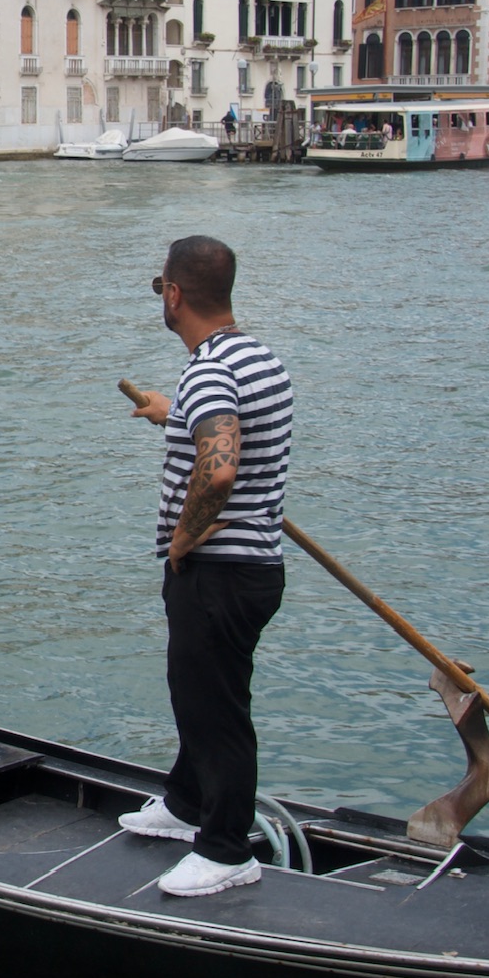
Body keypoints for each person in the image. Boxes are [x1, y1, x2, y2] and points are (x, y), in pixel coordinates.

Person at [122, 235, 294, 899]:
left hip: (218, 572)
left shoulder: (212, 370)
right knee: (201, 693)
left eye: (158, 286)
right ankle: (187, 800)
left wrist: (183, 543)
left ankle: (225, 847)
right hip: (251, 568)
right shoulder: (253, 356)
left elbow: (219, 467)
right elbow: (217, 429)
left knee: (214, 708)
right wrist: (175, 417)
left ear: (175, 293)